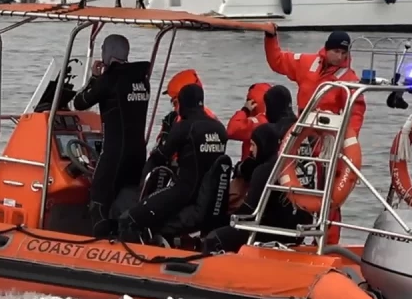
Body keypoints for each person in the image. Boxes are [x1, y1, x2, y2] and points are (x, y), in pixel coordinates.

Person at [202, 85, 312, 254]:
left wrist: (242, 169)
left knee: (219, 230)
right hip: (302, 212)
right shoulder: (305, 130)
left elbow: (233, 131)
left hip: (272, 216)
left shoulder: (273, 133)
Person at [120, 83, 228, 239]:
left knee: (129, 218)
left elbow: (160, 157)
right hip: (209, 197)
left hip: (183, 192)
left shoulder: (184, 126)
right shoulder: (220, 129)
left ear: (183, 103)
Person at [71, 34, 152, 237]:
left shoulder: (109, 80)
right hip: (138, 154)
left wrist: (95, 78)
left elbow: (79, 102)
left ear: (108, 54)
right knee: (126, 199)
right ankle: (125, 237)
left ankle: (98, 245)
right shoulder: (142, 80)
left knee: (98, 199)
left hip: (115, 153)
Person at [262, 25, 365, 136]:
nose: (340, 57)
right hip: (302, 128)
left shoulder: (350, 79)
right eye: (336, 51)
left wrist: (349, 139)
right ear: (327, 48)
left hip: (327, 134)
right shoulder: (306, 62)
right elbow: (277, 61)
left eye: (344, 53)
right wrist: (271, 37)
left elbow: (355, 113)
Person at [226, 82, 271, 162]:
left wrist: (245, 110)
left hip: (253, 170)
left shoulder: (257, 123)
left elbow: (232, 130)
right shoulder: (277, 119)